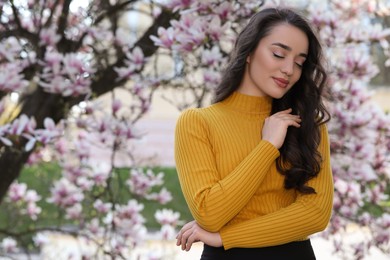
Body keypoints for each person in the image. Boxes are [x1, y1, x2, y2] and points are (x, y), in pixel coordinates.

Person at [174, 7, 334, 260]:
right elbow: (209, 213)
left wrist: (226, 237)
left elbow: (315, 213)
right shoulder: (198, 123)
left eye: (299, 63)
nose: (288, 69)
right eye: (278, 54)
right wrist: (267, 146)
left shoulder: (306, 123)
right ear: (249, 52)